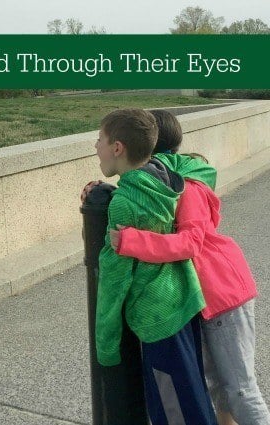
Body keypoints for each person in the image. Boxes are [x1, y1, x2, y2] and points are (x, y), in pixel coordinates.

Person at [109, 109, 270, 425]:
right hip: (202, 300)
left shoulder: (189, 187)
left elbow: (190, 243)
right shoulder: (159, 181)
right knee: (218, 389)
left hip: (222, 294)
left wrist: (130, 241)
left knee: (240, 391)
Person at [89, 108, 217, 424]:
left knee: (171, 409)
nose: (95, 147)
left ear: (117, 148)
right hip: (184, 303)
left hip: (157, 318)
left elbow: (114, 281)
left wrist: (105, 346)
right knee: (192, 399)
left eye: (100, 140)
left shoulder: (124, 203)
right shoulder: (166, 179)